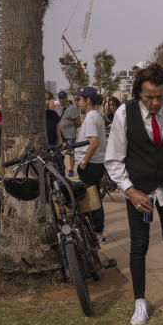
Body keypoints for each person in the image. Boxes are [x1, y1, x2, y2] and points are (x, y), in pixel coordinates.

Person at [105, 63, 163, 325]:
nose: (155, 102)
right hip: (140, 190)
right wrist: (130, 191)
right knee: (139, 245)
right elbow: (114, 160)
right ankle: (140, 301)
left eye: (159, 96)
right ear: (138, 94)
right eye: (149, 97)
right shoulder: (125, 113)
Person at [73, 86, 108, 243]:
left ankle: (98, 234)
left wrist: (84, 162)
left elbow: (93, 143)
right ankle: (95, 233)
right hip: (93, 164)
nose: (77, 102)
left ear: (87, 101)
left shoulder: (92, 117)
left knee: (92, 201)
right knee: (92, 200)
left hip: (91, 165)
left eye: (79, 99)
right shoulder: (92, 116)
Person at [57, 90, 81, 177]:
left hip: (70, 135)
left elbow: (78, 122)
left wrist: (71, 127)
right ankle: (61, 169)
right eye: (60, 98)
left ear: (67, 98)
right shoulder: (57, 108)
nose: (62, 100)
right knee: (59, 154)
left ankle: (71, 170)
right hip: (60, 136)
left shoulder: (71, 108)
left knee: (71, 153)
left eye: (63, 98)